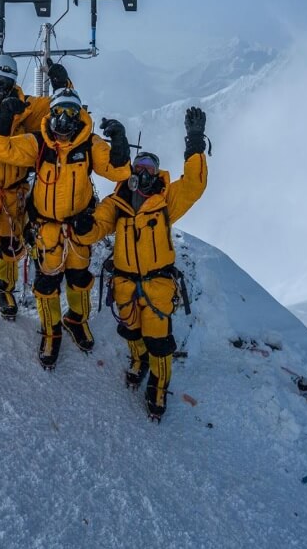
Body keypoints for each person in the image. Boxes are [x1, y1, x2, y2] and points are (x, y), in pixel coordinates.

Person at [73, 107, 208, 421]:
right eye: (140, 166)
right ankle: (137, 362)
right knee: (130, 331)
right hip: (124, 283)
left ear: (157, 173)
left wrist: (195, 144)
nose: (144, 172)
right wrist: (83, 226)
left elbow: (193, 186)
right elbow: (98, 227)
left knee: (159, 341)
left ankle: (159, 387)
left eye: (150, 167)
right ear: (132, 171)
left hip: (157, 284)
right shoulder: (116, 202)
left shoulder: (165, 202)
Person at [0, 84, 131, 369]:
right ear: (50, 113)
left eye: (71, 112)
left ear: (79, 116)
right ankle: (50, 331)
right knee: (46, 283)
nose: (64, 119)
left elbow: (120, 171)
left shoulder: (89, 144)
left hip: (78, 229)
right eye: (59, 111)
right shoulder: (39, 143)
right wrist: (4, 116)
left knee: (79, 279)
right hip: (46, 230)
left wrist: (119, 142)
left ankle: (76, 319)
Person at [0, 54, 62, 325]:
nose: (0, 88)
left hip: (13, 192)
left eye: (6, 83)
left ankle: (3, 291)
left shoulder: (26, 108)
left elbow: (64, 108)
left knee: (12, 247)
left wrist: (62, 82)